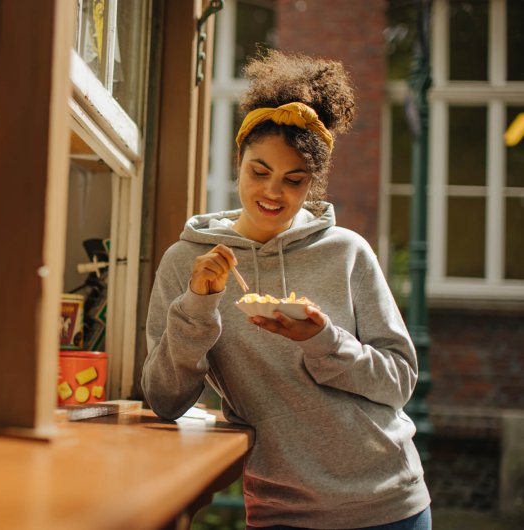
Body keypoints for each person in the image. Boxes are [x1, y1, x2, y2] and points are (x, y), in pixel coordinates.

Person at [141, 49, 431, 530]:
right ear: (239, 162)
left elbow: (399, 382)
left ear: (312, 183)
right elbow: (165, 400)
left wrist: (324, 341)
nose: (273, 193)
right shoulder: (187, 262)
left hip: (389, 503)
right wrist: (198, 306)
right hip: (282, 511)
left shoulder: (347, 253)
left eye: (294, 180)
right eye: (259, 172)